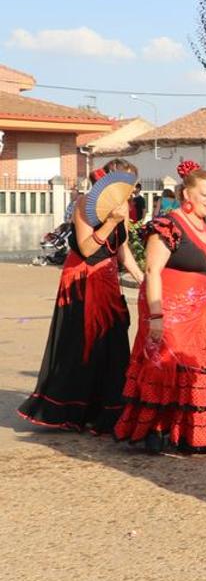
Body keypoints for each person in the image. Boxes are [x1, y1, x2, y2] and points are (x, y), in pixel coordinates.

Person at [18, 158, 145, 433]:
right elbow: (87, 249)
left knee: (114, 345)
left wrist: (142, 278)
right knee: (86, 346)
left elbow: (121, 248)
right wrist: (111, 221)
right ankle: (77, 411)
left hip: (109, 282)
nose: (129, 191)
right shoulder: (85, 205)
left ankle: (107, 412)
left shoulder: (124, 206)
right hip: (83, 283)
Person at [114, 160, 206, 453]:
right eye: (205, 194)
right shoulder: (168, 225)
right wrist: (156, 317)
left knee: (194, 368)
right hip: (169, 310)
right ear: (187, 194)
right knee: (164, 366)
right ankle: (155, 429)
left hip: (198, 313)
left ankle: (187, 432)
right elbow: (152, 272)